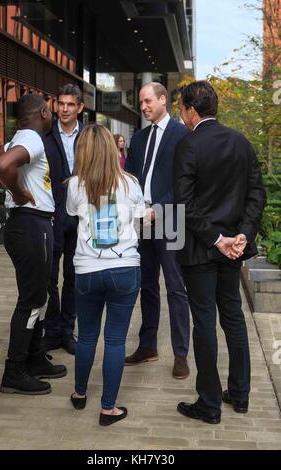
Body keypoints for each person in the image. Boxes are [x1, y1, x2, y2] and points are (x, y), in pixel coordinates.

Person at [173, 80, 266, 424]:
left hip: (202, 251)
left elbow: (183, 203)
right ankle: (240, 396)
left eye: (182, 109)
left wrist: (218, 238)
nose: (181, 115)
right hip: (231, 251)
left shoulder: (189, 145)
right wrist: (242, 234)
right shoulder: (241, 142)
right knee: (233, 318)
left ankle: (210, 404)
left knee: (204, 324)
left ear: (192, 111)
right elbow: (257, 194)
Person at [0, 94, 67, 395]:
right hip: (31, 223)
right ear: (44, 112)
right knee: (32, 299)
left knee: (41, 295)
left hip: (30, 225)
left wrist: (14, 189)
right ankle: (14, 371)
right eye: (52, 109)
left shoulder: (21, 136)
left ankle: (34, 359)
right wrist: (19, 193)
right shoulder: (33, 138)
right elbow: (5, 163)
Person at [67, 124, 145, 426]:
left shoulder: (74, 185)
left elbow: (74, 213)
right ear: (114, 150)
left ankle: (78, 393)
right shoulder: (130, 183)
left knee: (86, 336)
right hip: (124, 268)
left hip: (87, 270)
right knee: (115, 340)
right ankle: (108, 408)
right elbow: (142, 221)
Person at [125, 82, 190, 379]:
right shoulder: (138, 139)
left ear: (164, 99)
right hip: (143, 217)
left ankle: (181, 355)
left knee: (176, 287)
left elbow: (184, 183)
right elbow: (132, 179)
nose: (143, 106)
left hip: (171, 215)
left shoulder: (181, 134)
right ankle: (148, 345)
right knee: (147, 284)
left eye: (148, 101)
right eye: (140, 102)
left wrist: (158, 209)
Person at [43, 84, 84, 355]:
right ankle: (52, 329)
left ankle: (68, 330)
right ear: (55, 105)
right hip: (52, 215)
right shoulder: (44, 137)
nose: (65, 109)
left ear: (80, 107)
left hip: (80, 217)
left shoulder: (90, 137)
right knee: (49, 276)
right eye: (61, 104)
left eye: (71, 104)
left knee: (74, 277)